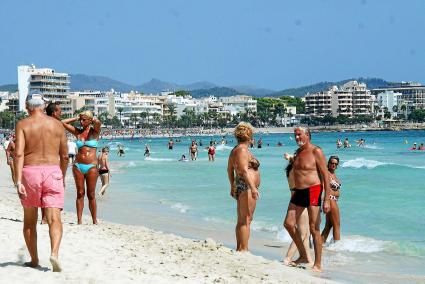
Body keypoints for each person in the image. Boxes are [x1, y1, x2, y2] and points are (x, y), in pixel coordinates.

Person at [14, 92, 68, 272]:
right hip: (53, 172)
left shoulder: (23, 124)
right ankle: (55, 253)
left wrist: (18, 180)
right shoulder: (57, 125)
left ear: (27, 106)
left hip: (30, 173)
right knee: (54, 218)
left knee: (30, 221)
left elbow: (19, 154)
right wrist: (63, 175)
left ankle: (35, 259)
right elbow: (65, 155)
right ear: (44, 106)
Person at [283, 126, 330, 272]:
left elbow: (325, 175)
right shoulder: (298, 153)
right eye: (295, 135)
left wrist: (327, 198)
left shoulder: (316, 151)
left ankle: (318, 264)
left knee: (314, 228)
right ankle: (303, 255)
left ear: (307, 135)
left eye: (299, 135)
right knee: (289, 224)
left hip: (313, 190)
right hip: (298, 191)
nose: (297, 137)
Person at [62, 111, 101, 224]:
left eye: (84, 120)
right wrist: (76, 117)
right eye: (81, 120)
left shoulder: (95, 132)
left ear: (90, 120)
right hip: (78, 165)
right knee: (80, 193)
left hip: (92, 166)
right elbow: (63, 122)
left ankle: (94, 220)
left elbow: (98, 123)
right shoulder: (78, 132)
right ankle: (79, 220)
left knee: (91, 194)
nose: (81, 121)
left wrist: (92, 118)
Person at [227, 122, 260, 251]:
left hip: (242, 185)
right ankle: (244, 248)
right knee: (246, 219)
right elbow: (244, 171)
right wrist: (253, 188)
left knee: (243, 219)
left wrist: (232, 185)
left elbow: (229, 169)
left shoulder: (236, 149)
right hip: (246, 187)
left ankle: (240, 247)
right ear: (249, 136)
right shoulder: (241, 149)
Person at [283, 152, 312, 266]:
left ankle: (288, 257)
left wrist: (291, 157)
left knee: (303, 232)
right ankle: (308, 259)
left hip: (302, 198)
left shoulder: (297, 166)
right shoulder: (294, 167)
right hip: (297, 198)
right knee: (304, 233)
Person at [321, 156, 342, 244]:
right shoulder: (326, 174)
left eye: (335, 164)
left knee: (329, 225)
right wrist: (323, 200)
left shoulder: (334, 175)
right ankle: (337, 245)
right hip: (330, 199)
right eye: (332, 163)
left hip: (334, 200)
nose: (333, 165)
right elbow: (322, 187)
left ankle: (319, 243)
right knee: (337, 224)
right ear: (328, 163)